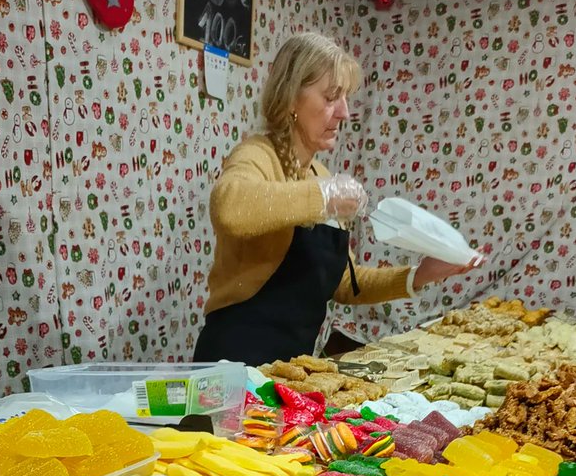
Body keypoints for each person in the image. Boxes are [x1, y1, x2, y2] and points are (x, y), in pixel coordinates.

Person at [193, 32, 481, 366]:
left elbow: (346, 284)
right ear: (289, 99)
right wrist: (323, 197)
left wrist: (419, 275)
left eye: (344, 97)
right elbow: (229, 207)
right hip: (232, 362)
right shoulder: (258, 156)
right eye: (331, 97)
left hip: (288, 368)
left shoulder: (322, 175)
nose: (344, 112)